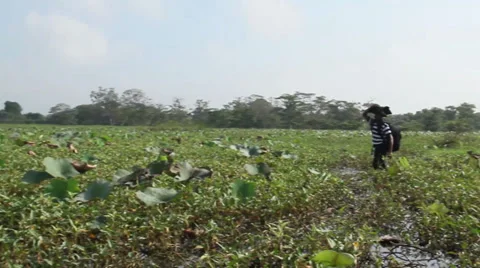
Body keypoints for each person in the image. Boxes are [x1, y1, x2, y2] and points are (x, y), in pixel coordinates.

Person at [362, 104, 394, 169]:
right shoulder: (372, 123)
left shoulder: (384, 125)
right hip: (376, 146)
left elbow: (390, 138)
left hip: (382, 146)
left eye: (378, 115)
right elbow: (364, 114)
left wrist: (390, 152)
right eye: (375, 114)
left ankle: (387, 173)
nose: (376, 116)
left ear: (381, 116)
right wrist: (370, 109)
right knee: (376, 163)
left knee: (380, 162)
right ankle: (384, 172)